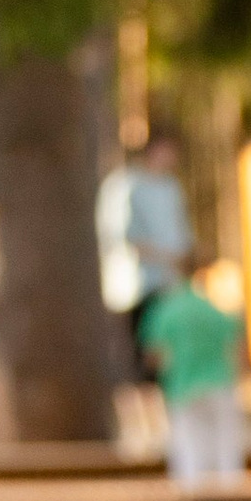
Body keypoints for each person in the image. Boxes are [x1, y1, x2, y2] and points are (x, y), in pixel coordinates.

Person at [142, 255, 248, 493]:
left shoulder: (166, 309)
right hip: (220, 384)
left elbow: (154, 355)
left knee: (189, 455)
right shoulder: (216, 307)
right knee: (226, 454)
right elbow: (238, 348)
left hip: (182, 387)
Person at [95, 131, 194, 375]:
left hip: (168, 284)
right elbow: (117, 234)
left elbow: (181, 233)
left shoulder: (170, 187)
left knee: (164, 355)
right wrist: (159, 255)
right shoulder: (124, 184)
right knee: (137, 358)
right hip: (133, 287)